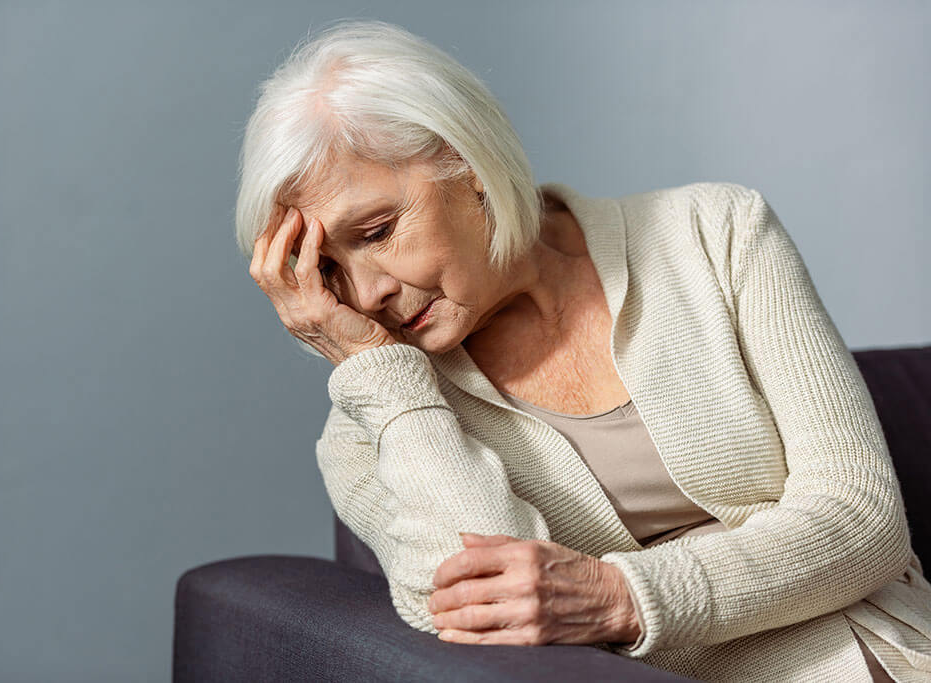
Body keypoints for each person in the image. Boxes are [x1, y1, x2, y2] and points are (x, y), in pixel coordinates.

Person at [235, 19, 931, 682]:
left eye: (379, 230)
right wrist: (384, 385)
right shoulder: (375, 433)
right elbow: (483, 618)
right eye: (326, 270)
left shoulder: (717, 234)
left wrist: (619, 593)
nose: (367, 291)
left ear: (466, 162)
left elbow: (863, 518)